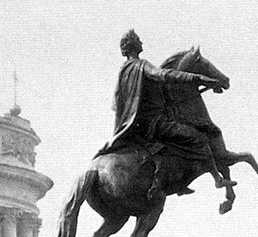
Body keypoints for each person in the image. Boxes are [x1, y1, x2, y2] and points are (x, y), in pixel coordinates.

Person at [100, 29, 233, 200]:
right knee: (199, 138)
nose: (142, 42)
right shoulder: (141, 65)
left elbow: (116, 104)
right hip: (155, 124)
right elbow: (163, 74)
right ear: (133, 46)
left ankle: (180, 182)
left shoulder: (123, 71)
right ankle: (217, 179)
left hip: (135, 127)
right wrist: (197, 78)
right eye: (139, 40)